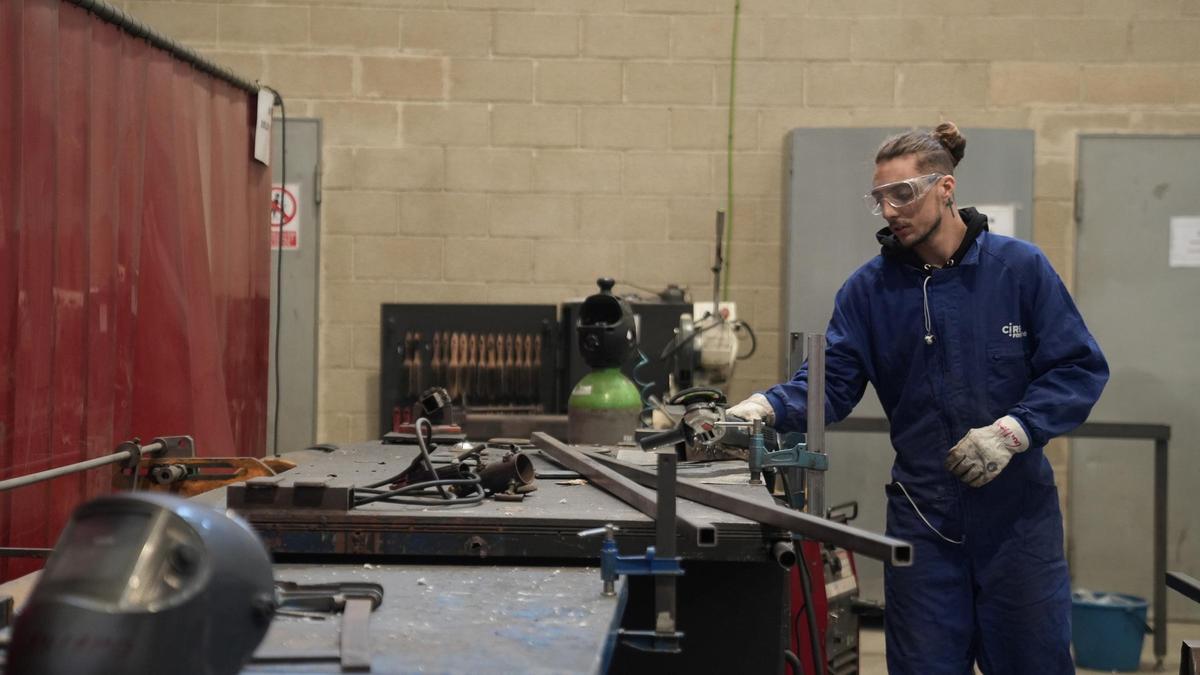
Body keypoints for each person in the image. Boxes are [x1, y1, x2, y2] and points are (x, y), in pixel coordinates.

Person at [728, 122, 1108, 674]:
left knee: (1034, 663)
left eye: (902, 194)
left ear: (945, 189)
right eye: (879, 198)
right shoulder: (869, 291)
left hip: (1018, 522)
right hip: (924, 523)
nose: (890, 210)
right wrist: (763, 408)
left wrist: (1014, 431)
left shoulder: (1018, 270)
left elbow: (1077, 367)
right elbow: (831, 385)